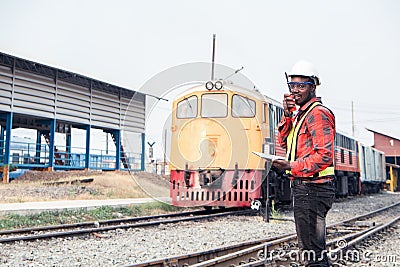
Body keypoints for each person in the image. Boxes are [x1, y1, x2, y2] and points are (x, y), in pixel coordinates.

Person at [272, 60, 336, 267]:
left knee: (313, 254)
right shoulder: (301, 114)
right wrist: (288, 114)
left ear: (313, 87)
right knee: (310, 249)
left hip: (313, 189)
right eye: (292, 86)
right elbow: (283, 141)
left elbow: (324, 155)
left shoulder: (317, 114)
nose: (296, 91)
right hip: (305, 189)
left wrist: (290, 166)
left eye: (301, 86)